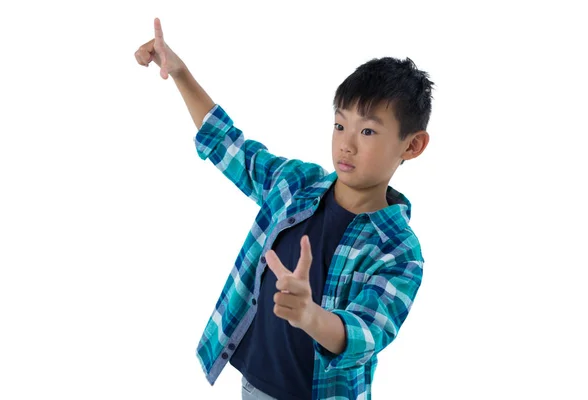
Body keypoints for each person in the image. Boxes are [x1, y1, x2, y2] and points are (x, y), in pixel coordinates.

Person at [135, 17, 433, 400]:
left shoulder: (400, 251)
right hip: (253, 386)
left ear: (412, 145)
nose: (347, 145)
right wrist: (179, 73)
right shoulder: (297, 184)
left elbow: (366, 333)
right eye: (340, 126)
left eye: (368, 131)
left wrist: (311, 316)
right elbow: (230, 145)